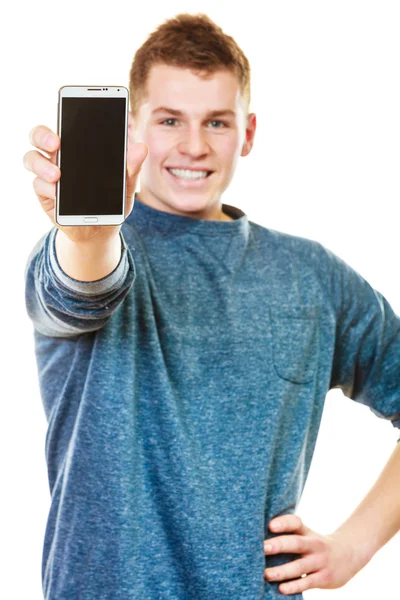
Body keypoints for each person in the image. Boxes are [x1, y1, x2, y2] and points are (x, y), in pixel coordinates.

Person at [23, 12, 400, 600]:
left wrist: (355, 546)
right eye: (170, 120)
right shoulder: (84, 250)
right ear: (133, 131)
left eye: (216, 122)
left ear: (247, 132)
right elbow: (82, 285)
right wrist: (88, 234)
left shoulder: (311, 276)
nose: (194, 146)